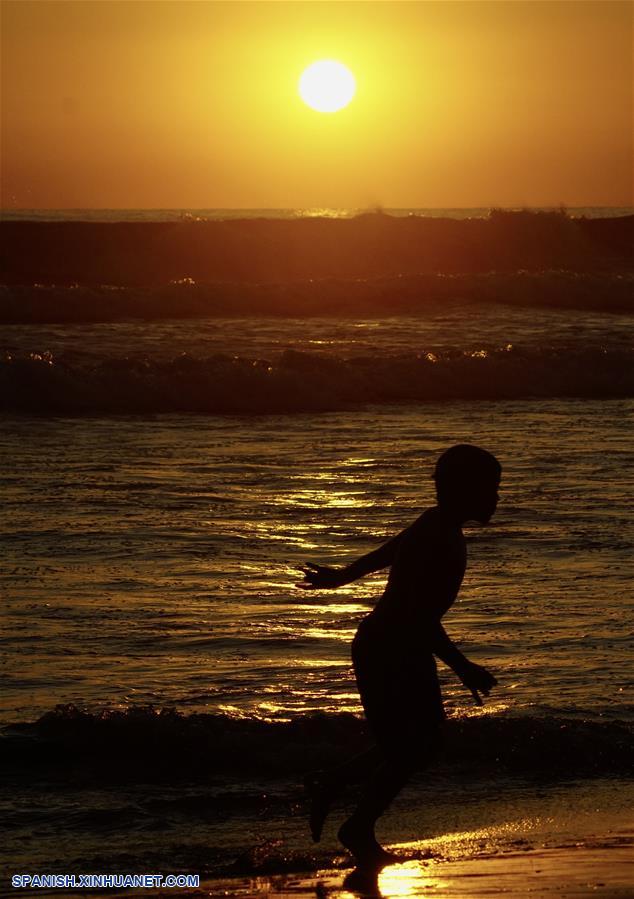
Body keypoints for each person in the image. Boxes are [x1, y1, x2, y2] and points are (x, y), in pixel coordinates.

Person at [298, 443, 501, 869]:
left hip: (403, 643)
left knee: (420, 745)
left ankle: (334, 786)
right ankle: (355, 825)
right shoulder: (438, 536)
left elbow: (390, 550)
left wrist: (344, 577)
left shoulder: (437, 525)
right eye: (490, 488)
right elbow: (420, 616)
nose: (496, 498)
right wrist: (463, 667)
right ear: (463, 490)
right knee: (410, 749)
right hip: (386, 648)